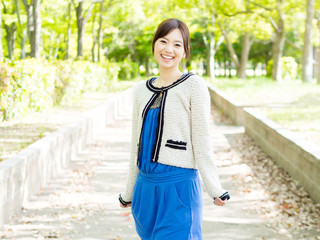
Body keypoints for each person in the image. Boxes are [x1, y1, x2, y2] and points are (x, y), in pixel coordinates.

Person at [119, 18, 229, 240]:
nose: (169, 49)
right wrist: (129, 191)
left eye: (177, 44)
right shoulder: (141, 90)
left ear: (185, 51)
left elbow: (201, 139)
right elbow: (136, 146)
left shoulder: (193, 86)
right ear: (154, 45)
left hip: (178, 188)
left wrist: (214, 187)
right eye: (163, 41)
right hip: (145, 192)